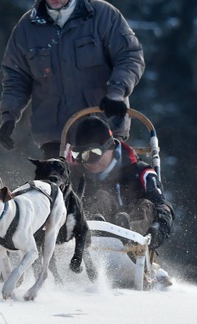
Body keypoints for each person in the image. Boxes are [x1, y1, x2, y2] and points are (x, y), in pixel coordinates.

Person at [0, 0, 145, 159]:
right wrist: (9, 116)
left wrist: (117, 92)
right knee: (52, 183)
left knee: (106, 182)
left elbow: (129, 56)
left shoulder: (103, 15)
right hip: (55, 139)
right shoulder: (26, 29)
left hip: (103, 130)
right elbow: (16, 78)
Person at [71, 116, 174, 285]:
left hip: (135, 241)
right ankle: (98, 227)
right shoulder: (77, 175)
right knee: (99, 198)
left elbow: (162, 206)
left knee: (146, 206)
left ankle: (127, 232)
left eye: (93, 154)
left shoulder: (140, 172)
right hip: (90, 241)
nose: (86, 161)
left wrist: (158, 229)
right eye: (79, 155)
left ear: (109, 146)